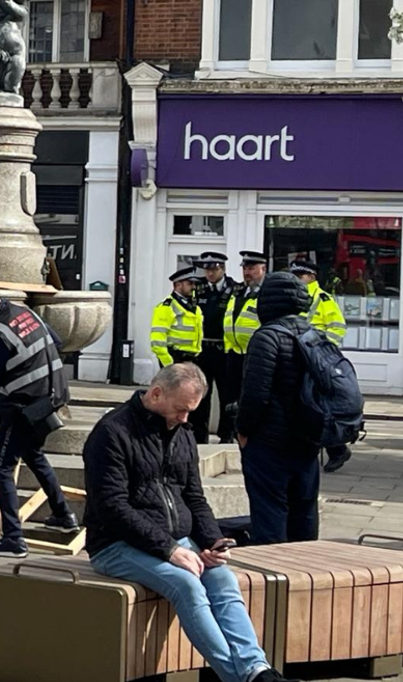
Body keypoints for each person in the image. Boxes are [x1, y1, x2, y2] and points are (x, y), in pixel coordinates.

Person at [83, 363, 296, 682]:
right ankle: (242, 678)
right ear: (156, 393)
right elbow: (111, 507)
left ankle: (257, 670)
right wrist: (169, 550)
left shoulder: (182, 434)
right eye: (181, 409)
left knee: (223, 580)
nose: (185, 419)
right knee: (187, 585)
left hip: (176, 542)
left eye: (190, 412)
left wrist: (212, 541)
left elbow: (194, 497)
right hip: (115, 545)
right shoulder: (112, 432)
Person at [0, 282, 78, 558]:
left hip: (23, 407)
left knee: (1, 466)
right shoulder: (24, 312)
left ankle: (14, 538)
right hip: (51, 398)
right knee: (34, 455)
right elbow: (57, 342)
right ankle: (64, 515)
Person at [236, 271, 320, 545]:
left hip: (270, 444)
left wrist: (243, 430)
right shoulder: (314, 335)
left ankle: (272, 578)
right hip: (307, 442)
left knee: (270, 514)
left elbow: (255, 394)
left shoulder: (267, 338)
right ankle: (307, 576)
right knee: (304, 513)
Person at [289, 259, 352, 473]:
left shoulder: (322, 299)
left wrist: (323, 351)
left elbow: (338, 327)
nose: (296, 279)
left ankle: (337, 448)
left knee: (315, 407)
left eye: (301, 276)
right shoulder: (293, 296)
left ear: (312, 277)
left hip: (315, 362)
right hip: (297, 357)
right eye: (294, 276)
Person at [150, 266, 206, 439]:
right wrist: (170, 366)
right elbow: (157, 342)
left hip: (192, 359)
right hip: (175, 359)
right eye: (190, 283)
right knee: (172, 401)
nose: (193, 287)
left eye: (194, 283)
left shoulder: (194, 307)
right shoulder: (166, 307)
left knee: (193, 400)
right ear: (177, 285)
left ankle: (193, 436)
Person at [193, 252, 238, 444]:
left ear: (223, 269)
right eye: (207, 269)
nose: (210, 274)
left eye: (214, 269)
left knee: (227, 394)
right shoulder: (199, 287)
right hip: (203, 349)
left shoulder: (235, 288)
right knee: (202, 394)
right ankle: (198, 434)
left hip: (224, 349)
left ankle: (226, 434)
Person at [223, 251, 267, 430]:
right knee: (232, 397)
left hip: (256, 354)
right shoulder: (238, 291)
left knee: (252, 396)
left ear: (263, 269)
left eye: (252, 268)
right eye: (245, 268)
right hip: (235, 353)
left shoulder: (267, 292)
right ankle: (231, 433)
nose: (247, 272)